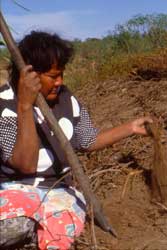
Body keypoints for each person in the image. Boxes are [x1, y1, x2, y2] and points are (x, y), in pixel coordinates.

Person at [0, 31, 152, 250]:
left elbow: (88, 140)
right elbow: (26, 164)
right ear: (30, 75)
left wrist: (131, 128)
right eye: (53, 76)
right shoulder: (5, 104)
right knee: (14, 225)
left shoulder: (66, 99)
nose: (60, 82)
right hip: (13, 192)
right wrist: (25, 105)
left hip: (59, 193)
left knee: (57, 234)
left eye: (62, 74)